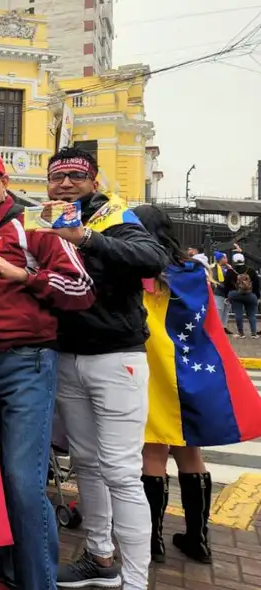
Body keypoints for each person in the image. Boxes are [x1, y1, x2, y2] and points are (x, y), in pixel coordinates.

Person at [0, 148, 95, 590]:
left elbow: (82, 288)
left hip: (26, 362)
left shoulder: (35, 224)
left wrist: (21, 275)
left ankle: (38, 583)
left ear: (3, 180)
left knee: (22, 482)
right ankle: (6, 574)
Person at [43, 147, 168, 590]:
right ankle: (100, 557)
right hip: (67, 355)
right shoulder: (45, 222)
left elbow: (153, 259)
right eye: (57, 177)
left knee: (120, 470)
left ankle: (136, 581)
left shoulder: (114, 217)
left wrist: (87, 238)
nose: (65, 184)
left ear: (94, 181)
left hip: (117, 357)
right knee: (87, 465)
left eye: (76, 177)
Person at [132, 204, 214, 566]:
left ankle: (153, 541)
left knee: (152, 453)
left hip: (150, 369)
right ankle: (198, 538)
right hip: (188, 370)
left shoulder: (136, 268)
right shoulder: (194, 271)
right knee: (191, 453)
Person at [224, 252, 259, 339]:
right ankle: (254, 334)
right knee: (251, 314)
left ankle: (241, 333)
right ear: (243, 259)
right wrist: (256, 295)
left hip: (235, 294)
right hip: (250, 294)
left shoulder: (230, 271)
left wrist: (227, 295)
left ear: (234, 261)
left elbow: (227, 284)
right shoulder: (251, 270)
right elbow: (257, 283)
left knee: (238, 313)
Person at [213, 252, 233, 334]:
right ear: (220, 259)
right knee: (219, 310)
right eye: (224, 258)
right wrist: (223, 287)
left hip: (228, 293)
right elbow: (215, 280)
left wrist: (230, 270)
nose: (226, 259)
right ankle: (217, 327)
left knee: (226, 310)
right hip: (219, 292)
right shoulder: (215, 268)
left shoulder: (228, 268)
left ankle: (224, 326)